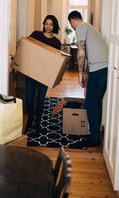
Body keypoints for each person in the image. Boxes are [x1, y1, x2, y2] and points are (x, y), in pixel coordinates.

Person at [68, 10, 108, 147]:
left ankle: (94, 138)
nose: (73, 29)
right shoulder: (91, 28)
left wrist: (79, 74)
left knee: (90, 103)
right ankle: (95, 133)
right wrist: (86, 73)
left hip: (97, 70)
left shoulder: (80, 27)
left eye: (72, 26)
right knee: (97, 103)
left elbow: (81, 50)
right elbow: (91, 53)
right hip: (104, 69)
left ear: (72, 21)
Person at [24, 15, 61, 134]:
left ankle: (38, 122)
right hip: (31, 71)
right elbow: (26, 46)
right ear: (43, 24)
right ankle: (30, 119)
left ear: (54, 26)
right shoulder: (36, 35)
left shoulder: (56, 42)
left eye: (51, 24)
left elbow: (57, 61)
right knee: (29, 98)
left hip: (44, 75)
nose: (48, 26)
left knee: (40, 99)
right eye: (46, 23)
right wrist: (20, 43)